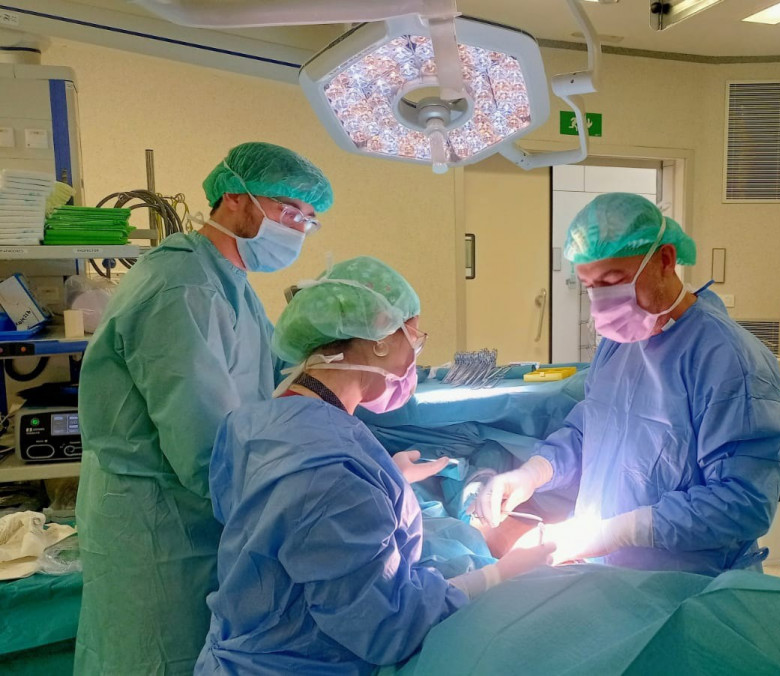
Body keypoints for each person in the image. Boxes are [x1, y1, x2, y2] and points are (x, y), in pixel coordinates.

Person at [194, 257, 554, 674]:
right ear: (380, 338)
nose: (415, 356)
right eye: (414, 338)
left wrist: (386, 482)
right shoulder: (331, 475)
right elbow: (388, 625)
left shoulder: (254, 422)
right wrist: (498, 578)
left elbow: (277, 525)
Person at [75, 142, 333, 674]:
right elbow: (203, 440)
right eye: (290, 211)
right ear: (234, 198)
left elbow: (269, 379)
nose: (299, 228)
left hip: (193, 509)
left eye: (310, 219)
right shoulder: (181, 287)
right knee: (154, 654)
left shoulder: (225, 279)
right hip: (156, 519)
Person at [477, 193, 780, 575]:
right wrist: (534, 473)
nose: (603, 302)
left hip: (688, 585)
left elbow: (744, 502)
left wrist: (629, 529)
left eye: (614, 281)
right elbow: (592, 426)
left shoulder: (728, 360)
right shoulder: (618, 343)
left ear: (665, 260)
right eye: (590, 286)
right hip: (610, 572)